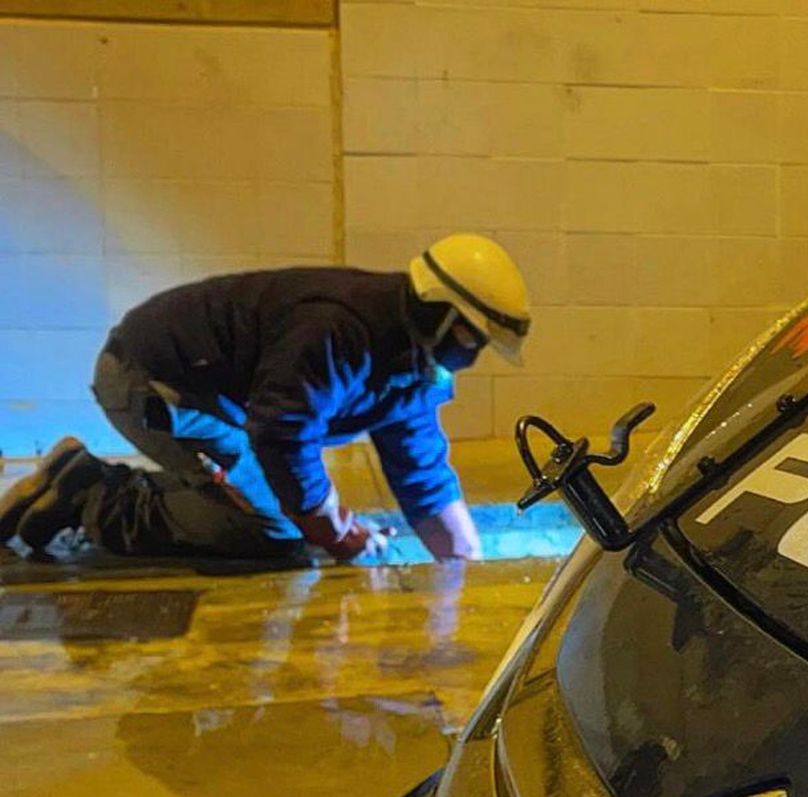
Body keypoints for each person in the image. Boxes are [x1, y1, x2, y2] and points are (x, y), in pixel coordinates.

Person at [0, 233, 531, 563]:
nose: (472, 356)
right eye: (472, 342)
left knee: (281, 508)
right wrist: (335, 531)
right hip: (151, 381)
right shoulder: (341, 328)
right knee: (271, 529)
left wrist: (464, 564)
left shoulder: (412, 357)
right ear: (443, 315)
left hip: (217, 401)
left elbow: (421, 471)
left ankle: (82, 475)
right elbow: (281, 434)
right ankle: (94, 497)